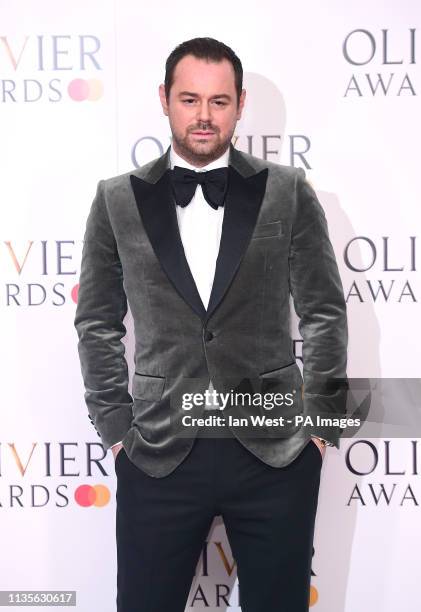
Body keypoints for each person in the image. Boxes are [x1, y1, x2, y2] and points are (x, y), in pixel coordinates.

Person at [74, 36, 348, 612]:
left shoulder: (287, 191)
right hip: (157, 450)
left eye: (219, 102)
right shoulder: (116, 200)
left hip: (274, 451)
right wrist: (117, 428)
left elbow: (323, 309)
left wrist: (321, 426)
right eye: (190, 99)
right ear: (164, 100)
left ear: (241, 104)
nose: (203, 116)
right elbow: (98, 320)